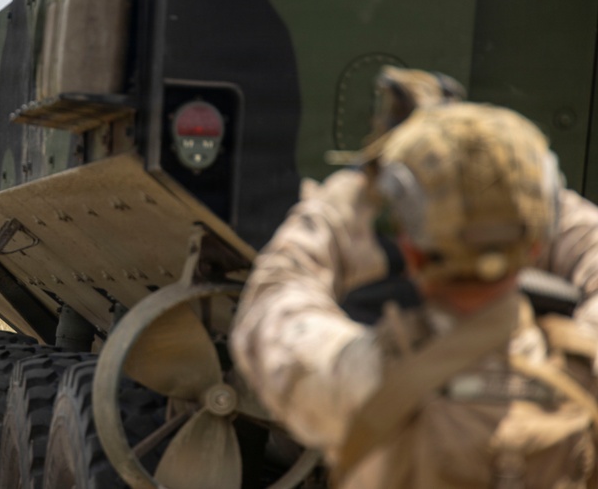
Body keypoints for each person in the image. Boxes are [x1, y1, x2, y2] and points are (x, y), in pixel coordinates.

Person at [230, 101, 598, 487]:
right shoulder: (582, 377)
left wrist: (360, 186)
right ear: (536, 242)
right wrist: (512, 189)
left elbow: (273, 301)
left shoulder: (359, 378)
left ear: (410, 251)